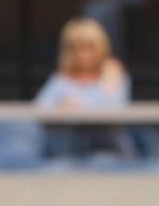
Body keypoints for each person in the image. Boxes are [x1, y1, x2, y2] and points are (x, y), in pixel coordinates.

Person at [36, 16, 134, 158]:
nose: (82, 54)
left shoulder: (112, 74)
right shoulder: (61, 79)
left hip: (107, 152)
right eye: (75, 47)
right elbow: (39, 113)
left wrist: (75, 107)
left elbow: (114, 112)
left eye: (89, 47)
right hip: (67, 153)